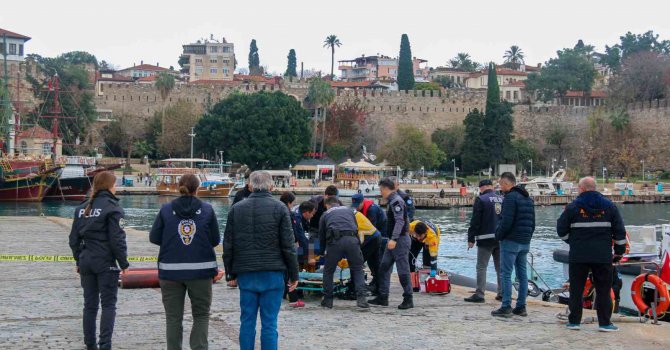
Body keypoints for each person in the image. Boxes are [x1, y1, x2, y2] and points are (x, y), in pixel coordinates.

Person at [223, 171, 299, 350]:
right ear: (272, 187)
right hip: (273, 273)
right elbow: (288, 246)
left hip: (247, 273)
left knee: (247, 321)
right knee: (270, 324)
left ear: (250, 186)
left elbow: (229, 244)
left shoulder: (237, 209)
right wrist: (293, 274)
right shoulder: (280, 209)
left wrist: (230, 273)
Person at [149, 174, 220, 350]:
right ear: (198, 189)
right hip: (201, 272)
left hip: (170, 271)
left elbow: (154, 237)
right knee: (201, 315)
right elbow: (215, 240)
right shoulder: (207, 209)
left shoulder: (165, 209)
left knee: (173, 318)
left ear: (179, 186)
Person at [557, 177, 626, 332]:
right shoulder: (610, 207)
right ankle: (605, 323)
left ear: (582, 189)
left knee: (576, 288)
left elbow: (561, 229)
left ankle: (574, 322)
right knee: (603, 288)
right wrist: (619, 253)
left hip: (578, 255)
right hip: (602, 256)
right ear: (594, 188)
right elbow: (620, 233)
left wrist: (572, 242)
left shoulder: (573, 207)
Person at [69, 171, 129, 350]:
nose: (116, 188)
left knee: (90, 306)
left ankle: (90, 345)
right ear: (110, 186)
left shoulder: (81, 208)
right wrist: (123, 263)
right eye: (115, 184)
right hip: (105, 262)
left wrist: (79, 260)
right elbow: (117, 239)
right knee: (108, 305)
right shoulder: (113, 207)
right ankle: (105, 345)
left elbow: (73, 239)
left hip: (86, 259)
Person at [492, 172, 535, 318]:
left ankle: (506, 306)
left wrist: (498, 236)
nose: (499, 186)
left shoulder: (510, 198)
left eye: (500, 184)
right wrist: (527, 237)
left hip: (510, 241)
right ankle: (521, 306)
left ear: (506, 183)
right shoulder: (528, 198)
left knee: (505, 274)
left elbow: (506, 221)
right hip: (524, 242)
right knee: (522, 275)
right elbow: (533, 222)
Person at [369, 178, 413, 309]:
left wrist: (394, 238)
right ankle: (383, 296)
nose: (380, 192)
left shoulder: (396, 201)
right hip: (392, 240)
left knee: (403, 271)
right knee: (384, 267)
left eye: (381, 190)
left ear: (387, 189)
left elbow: (400, 221)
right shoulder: (392, 201)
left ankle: (408, 298)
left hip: (399, 240)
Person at [318, 196, 369, 309]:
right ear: (338, 203)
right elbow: (355, 227)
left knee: (328, 271)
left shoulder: (325, 214)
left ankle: (328, 300)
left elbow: (321, 235)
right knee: (357, 269)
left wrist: (321, 252)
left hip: (335, 242)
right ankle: (361, 299)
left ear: (327, 205)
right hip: (352, 240)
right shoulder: (349, 211)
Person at [465, 179, 504, 303]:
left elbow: (475, 220)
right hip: (500, 238)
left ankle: (480, 294)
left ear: (482, 187)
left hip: (485, 238)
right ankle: (502, 293)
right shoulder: (502, 198)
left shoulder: (481, 199)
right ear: (491, 187)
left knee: (481, 267)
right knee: (500, 267)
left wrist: (471, 238)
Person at [279, 193, 311, 308]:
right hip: (289, 245)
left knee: (283, 272)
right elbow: (297, 233)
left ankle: (283, 294)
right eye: (292, 203)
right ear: (289, 203)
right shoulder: (291, 215)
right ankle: (293, 298)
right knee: (291, 271)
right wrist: (308, 250)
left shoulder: (276, 211)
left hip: (276, 247)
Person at [351, 193, 386, 294]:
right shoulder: (359, 209)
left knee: (376, 261)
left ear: (363, 202)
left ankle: (379, 285)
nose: (356, 208)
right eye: (355, 206)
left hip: (381, 236)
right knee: (372, 261)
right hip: (374, 236)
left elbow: (371, 229)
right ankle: (375, 283)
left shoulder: (371, 210)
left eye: (358, 205)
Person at [408, 219, 441, 287]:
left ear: (425, 233)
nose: (419, 238)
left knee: (427, 261)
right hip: (415, 236)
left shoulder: (432, 238)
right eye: (417, 235)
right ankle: (412, 282)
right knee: (410, 258)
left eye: (420, 236)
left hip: (429, 239)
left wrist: (434, 269)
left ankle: (426, 282)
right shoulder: (410, 226)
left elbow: (433, 256)